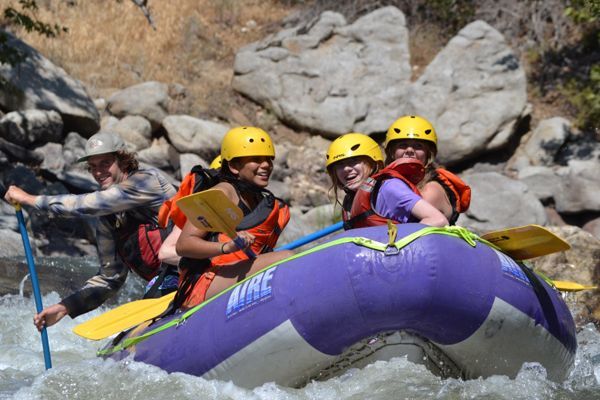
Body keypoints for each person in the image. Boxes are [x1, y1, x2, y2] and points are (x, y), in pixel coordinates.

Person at [4, 131, 177, 331]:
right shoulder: (109, 219)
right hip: (165, 287)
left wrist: (31, 200)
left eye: (105, 163)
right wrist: (64, 307)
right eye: (93, 166)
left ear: (123, 161)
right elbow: (109, 278)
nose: (98, 172)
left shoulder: (146, 182)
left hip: (194, 270)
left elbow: (85, 204)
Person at [175, 126, 293, 308]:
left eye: (268, 159)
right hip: (203, 283)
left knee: (286, 258)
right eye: (256, 159)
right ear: (233, 166)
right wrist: (226, 247)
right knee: (284, 258)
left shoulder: (258, 197)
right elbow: (184, 245)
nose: (266, 165)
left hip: (234, 272)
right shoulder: (222, 193)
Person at [325, 132, 448, 229]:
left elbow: (438, 220)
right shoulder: (350, 201)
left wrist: (392, 242)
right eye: (340, 165)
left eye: (354, 161)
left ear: (373, 163)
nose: (346, 169)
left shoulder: (389, 187)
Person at [384, 115, 471, 225]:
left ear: (428, 154)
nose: (410, 150)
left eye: (418, 146)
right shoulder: (390, 184)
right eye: (403, 145)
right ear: (392, 152)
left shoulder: (430, 189)